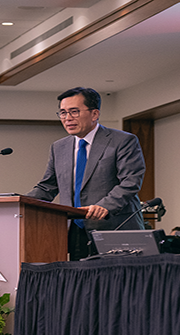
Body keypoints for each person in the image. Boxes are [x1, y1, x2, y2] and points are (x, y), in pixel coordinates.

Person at [27, 87, 146, 260]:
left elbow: (130, 182)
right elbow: (47, 187)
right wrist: (19, 203)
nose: (67, 118)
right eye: (63, 113)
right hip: (74, 229)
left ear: (95, 114)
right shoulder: (58, 147)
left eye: (74, 112)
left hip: (114, 227)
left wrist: (105, 206)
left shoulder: (123, 141)